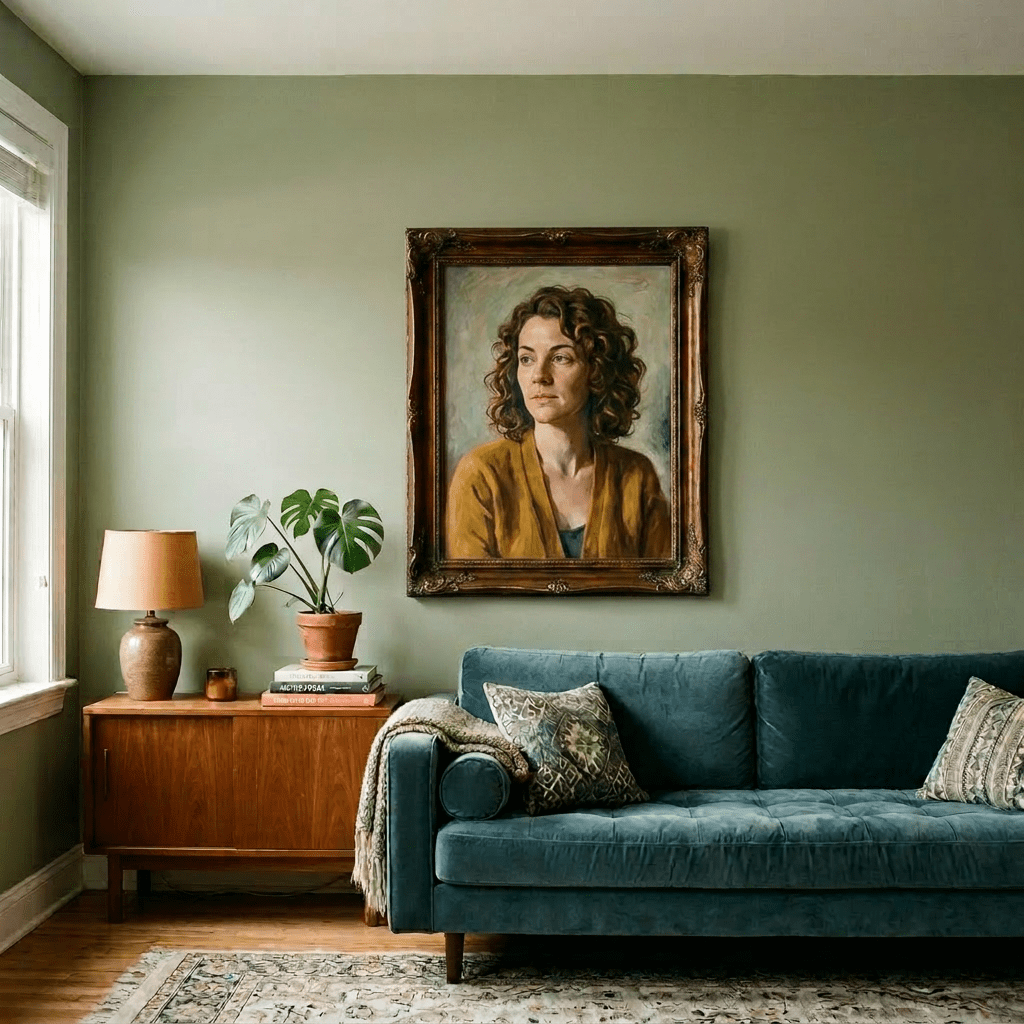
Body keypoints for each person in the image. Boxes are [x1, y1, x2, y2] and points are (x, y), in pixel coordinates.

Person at [446, 284, 671, 559]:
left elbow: (662, 581)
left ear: (596, 370)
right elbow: (469, 585)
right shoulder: (482, 473)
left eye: (560, 358)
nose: (539, 376)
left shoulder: (636, 475)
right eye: (526, 359)